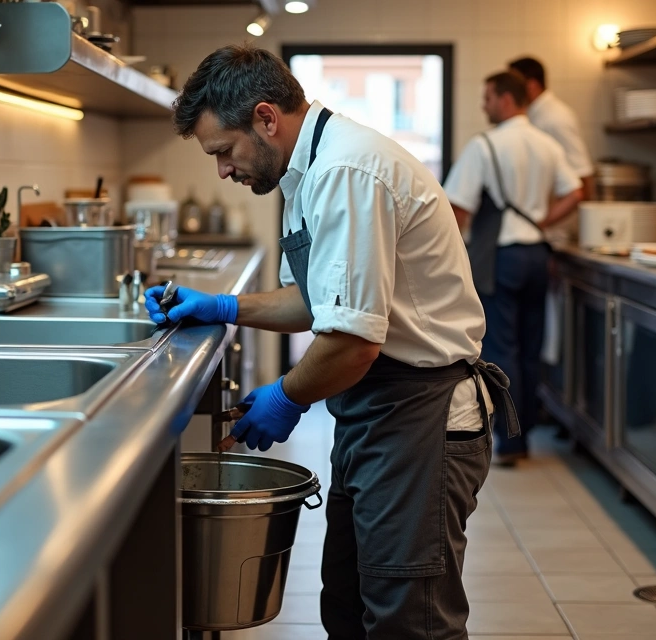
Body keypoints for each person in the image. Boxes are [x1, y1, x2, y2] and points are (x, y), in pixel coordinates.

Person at [144, 45, 520, 640]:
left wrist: (286, 397)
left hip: (418, 415)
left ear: (265, 118)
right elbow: (319, 303)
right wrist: (222, 306)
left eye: (223, 152)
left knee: (409, 620)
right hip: (374, 412)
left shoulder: (346, 171)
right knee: (347, 604)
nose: (222, 170)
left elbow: (351, 342)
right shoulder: (306, 170)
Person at [443, 71, 583, 467]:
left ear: (506, 99)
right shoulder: (546, 143)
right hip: (538, 255)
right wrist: (541, 221)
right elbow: (575, 191)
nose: (483, 106)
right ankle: (527, 435)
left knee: (501, 347)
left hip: (500, 258)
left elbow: (458, 209)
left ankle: (509, 443)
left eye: (487, 98)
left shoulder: (485, 145)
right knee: (530, 348)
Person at [508, 56, 595, 199]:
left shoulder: (555, 117)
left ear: (532, 85)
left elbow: (582, 171)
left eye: (514, 86)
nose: (510, 92)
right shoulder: (533, 114)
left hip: (561, 208)